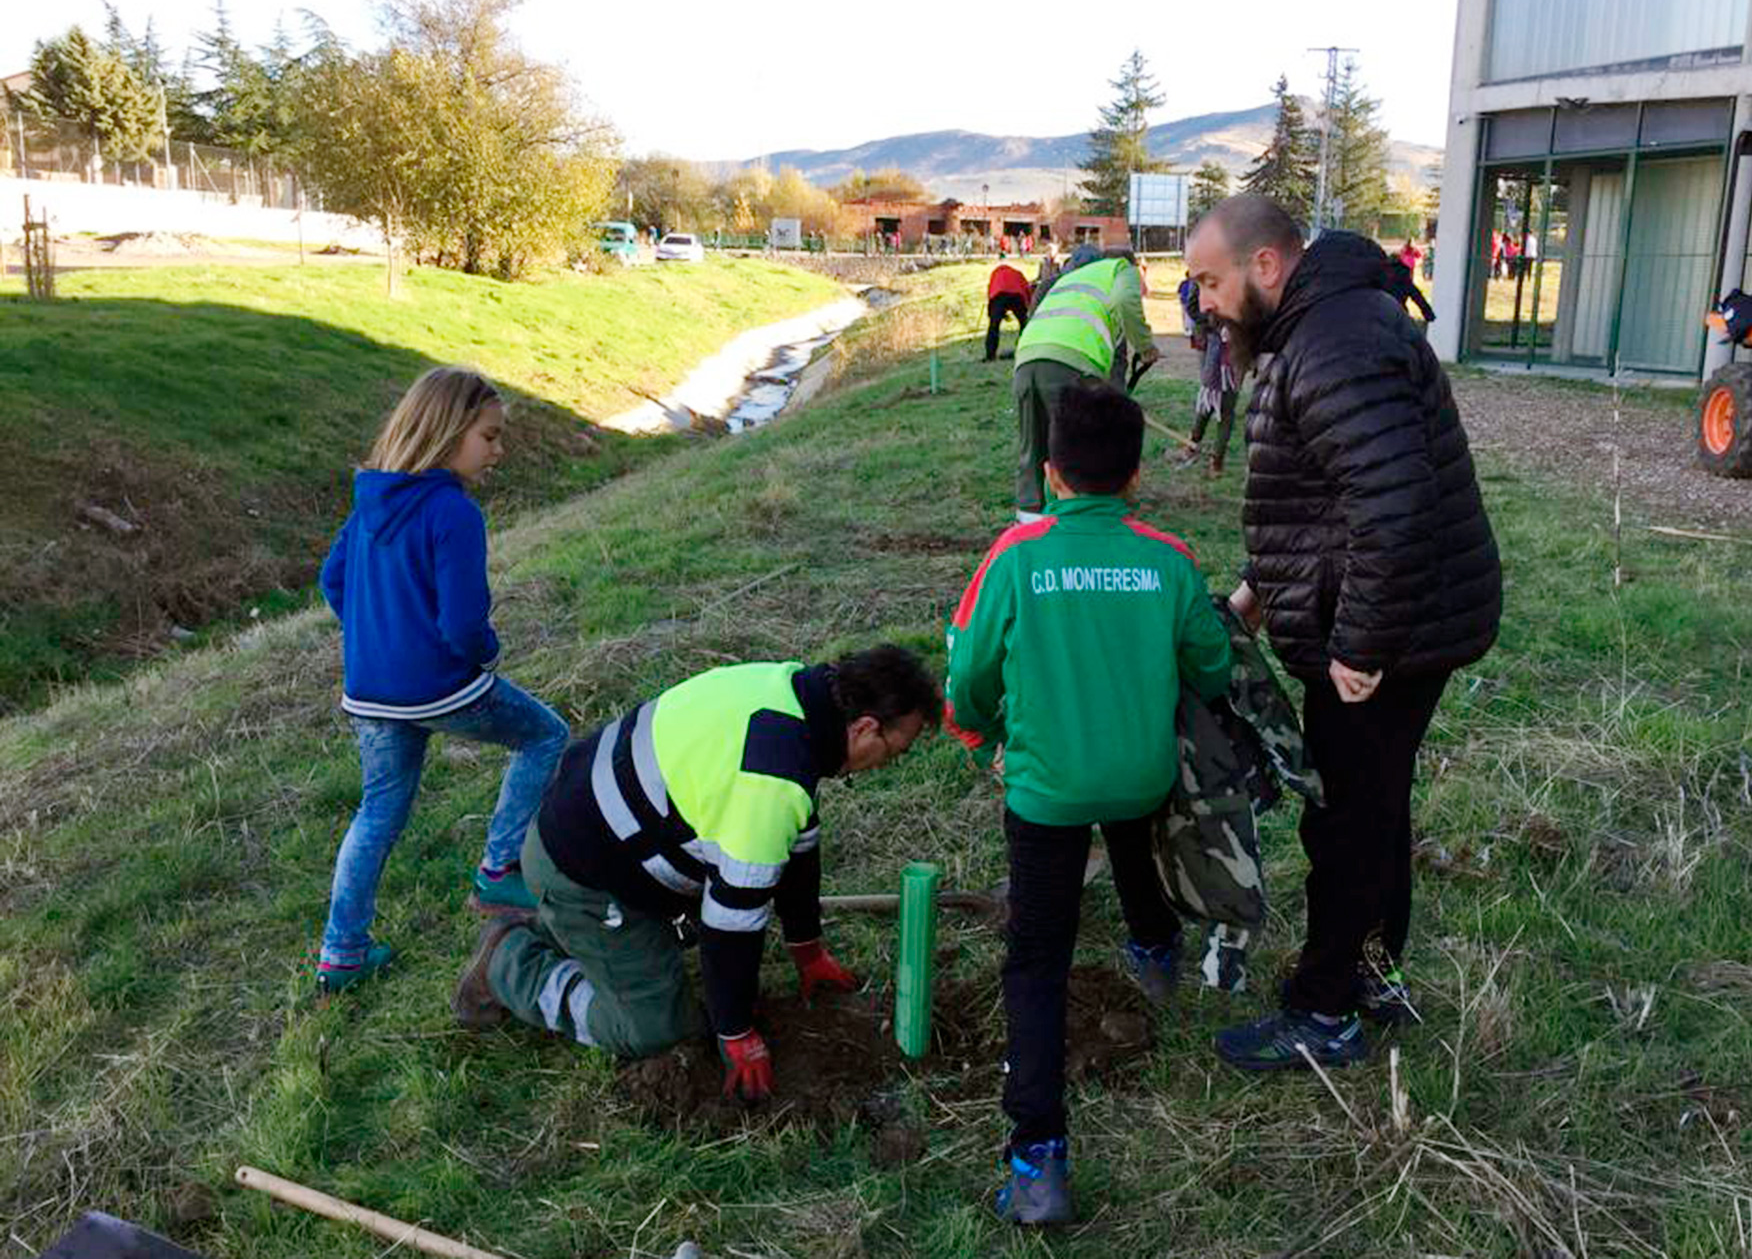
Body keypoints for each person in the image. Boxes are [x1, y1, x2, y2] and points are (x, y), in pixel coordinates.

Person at [1183, 195, 1501, 1072]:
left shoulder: (1334, 342)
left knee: (1347, 820)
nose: (1203, 302)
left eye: (1211, 281)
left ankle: (1324, 1012)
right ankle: (1372, 975)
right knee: (1376, 803)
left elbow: (1390, 506)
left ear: (1268, 266)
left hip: (1386, 629)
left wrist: (1358, 645)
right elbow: (1323, 498)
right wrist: (1258, 592)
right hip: (1400, 613)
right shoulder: (1319, 329)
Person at [945, 379, 1233, 1226]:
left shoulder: (1015, 557)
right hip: (1141, 775)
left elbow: (967, 680)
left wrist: (990, 730)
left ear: (1050, 474)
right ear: (1137, 477)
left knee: (1037, 961)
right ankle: (1155, 952)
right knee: (1135, 841)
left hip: (1045, 788)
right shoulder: (1169, 559)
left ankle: (1038, 1162)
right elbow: (1211, 670)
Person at [452, 646, 942, 1093]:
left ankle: (568, 928)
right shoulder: (770, 783)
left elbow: (799, 849)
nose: (885, 766)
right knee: (657, 1028)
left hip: (599, 829)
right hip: (583, 872)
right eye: (894, 753)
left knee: (700, 931)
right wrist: (736, 1031)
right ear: (864, 729)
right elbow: (731, 925)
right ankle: (507, 964)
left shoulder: (793, 692)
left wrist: (806, 947)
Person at [315, 367, 570, 995]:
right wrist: (485, 654)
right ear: (449, 431)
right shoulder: (452, 511)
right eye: (489, 437)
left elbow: (332, 581)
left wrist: (379, 640)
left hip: (370, 691)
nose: (498, 451)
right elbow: (462, 622)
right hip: (439, 687)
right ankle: (498, 869)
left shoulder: (372, 498)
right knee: (546, 737)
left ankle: (341, 952)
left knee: (378, 812)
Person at [1010, 245, 1156, 520]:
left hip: (1027, 359)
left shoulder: (1071, 279)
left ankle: (1028, 524)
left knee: (1033, 446)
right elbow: (1127, 301)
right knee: (1071, 445)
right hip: (1070, 363)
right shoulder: (1121, 270)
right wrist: (1145, 346)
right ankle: (1070, 522)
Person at [1175, 277, 1239, 477]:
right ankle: (1195, 448)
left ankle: (1214, 460)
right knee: (1210, 401)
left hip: (1234, 347)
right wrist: (1216, 324)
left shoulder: (1239, 270)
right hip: (1217, 344)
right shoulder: (1212, 270)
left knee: (1223, 406)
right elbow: (1193, 307)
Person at [984, 260, 1033, 361]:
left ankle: (990, 355)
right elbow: (1026, 288)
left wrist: (992, 313)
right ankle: (1025, 349)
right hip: (1017, 296)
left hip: (999, 296)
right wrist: (1029, 307)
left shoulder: (995, 273)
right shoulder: (1017, 273)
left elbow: (991, 292)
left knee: (994, 326)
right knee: (1024, 324)